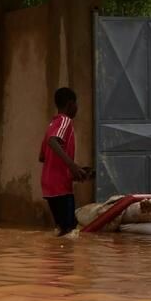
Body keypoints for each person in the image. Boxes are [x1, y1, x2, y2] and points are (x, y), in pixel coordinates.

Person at [39, 86, 92, 237]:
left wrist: (75, 171)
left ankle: (56, 258)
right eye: (76, 104)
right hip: (60, 187)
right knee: (71, 231)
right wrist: (72, 166)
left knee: (61, 229)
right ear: (70, 104)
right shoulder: (65, 121)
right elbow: (53, 141)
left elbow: (43, 157)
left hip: (48, 187)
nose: (77, 108)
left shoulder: (51, 125)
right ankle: (66, 260)